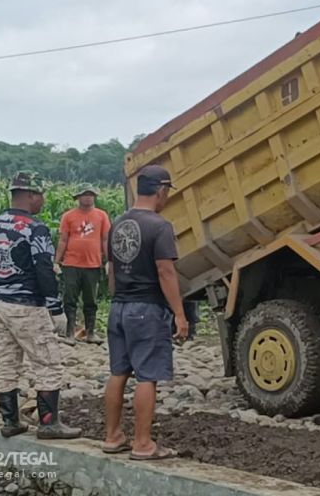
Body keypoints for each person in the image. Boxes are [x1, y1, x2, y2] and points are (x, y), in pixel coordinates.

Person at [0, 171, 79, 440]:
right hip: (27, 305)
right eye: (41, 195)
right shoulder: (34, 227)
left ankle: (10, 421)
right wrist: (56, 309)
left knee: (6, 362)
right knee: (47, 363)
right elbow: (44, 270)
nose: (43, 201)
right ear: (30, 195)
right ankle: (49, 423)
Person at [103, 166, 188, 460]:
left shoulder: (117, 223)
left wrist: (118, 299)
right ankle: (143, 444)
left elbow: (112, 270)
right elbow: (166, 271)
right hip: (147, 309)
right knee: (147, 377)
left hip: (119, 307)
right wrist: (179, 313)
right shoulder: (159, 226)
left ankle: (113, 436)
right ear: (161, 190)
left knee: (118, 372)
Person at [54, 184, 110, 344]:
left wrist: (109, 261)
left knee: (91, 300)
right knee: (70, 299)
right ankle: (70, 334)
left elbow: (105, 239)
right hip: (71, 264)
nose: (88, 197)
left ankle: (90, 333)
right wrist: (56, 261)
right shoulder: (68, 216)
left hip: (92, 265)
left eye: (91, 194)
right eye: (84, 194)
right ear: (78, 197)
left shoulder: (101, 216)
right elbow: (63, 240)